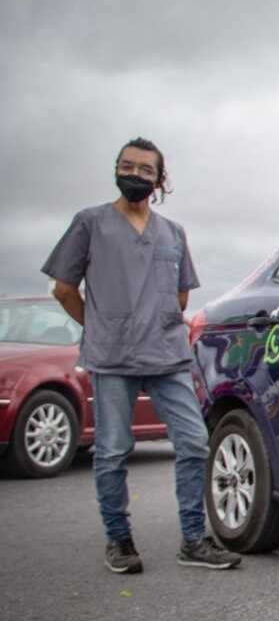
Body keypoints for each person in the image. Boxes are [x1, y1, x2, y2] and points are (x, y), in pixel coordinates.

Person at [42, 137, 241, 573]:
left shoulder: (173, 233)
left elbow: (182, 293)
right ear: (116, 169)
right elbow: (62, 288)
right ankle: (119, 541)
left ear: (159, 179)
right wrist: (99, 329)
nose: (134, 175)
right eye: (127, 166)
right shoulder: (90, 223)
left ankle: (193, 540)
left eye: (144, 170)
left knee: (193, 442)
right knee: (113, 451)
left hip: (167, 356)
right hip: (112, 359)